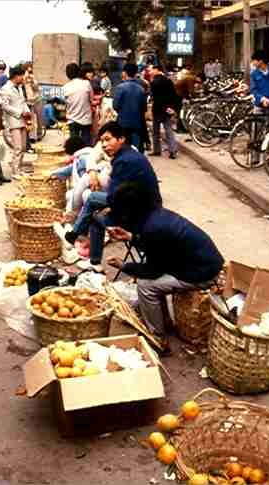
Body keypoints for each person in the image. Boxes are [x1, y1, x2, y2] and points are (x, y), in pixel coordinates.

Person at [106, 181, 224, 351]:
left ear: (129, 211)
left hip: (203, 273)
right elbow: (158, 247)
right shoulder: (156, 216)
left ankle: (157, 338)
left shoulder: (152, 228)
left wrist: (124, 266)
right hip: (201, 262)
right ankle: (164, 322)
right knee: (152, 281)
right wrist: (131, 237)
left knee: (146, 286)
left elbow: (152, 272)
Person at [63, 121, 161, 273]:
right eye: (102, 141)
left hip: (141, 214)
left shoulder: (125, 160)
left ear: (121, 139)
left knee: (92, 200)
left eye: (108, 139)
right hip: (141, 206)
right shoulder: (128, 154)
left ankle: (77, 237)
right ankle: (85, 248)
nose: (103, 144)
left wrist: (108, 209)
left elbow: (115, 198)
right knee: (94, 211)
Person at [0, 64, 32, 179]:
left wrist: (27, 112)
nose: (23, 78)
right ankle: (15, 171)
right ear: (16, 76)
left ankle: (19, 168)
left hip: (22, 120)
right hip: (13, 122)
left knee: (22, 147)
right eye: (22, 75)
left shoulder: (19, 87)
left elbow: (22, 102)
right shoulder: (5, 89)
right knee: (17, 147)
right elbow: (5, 106)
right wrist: (20, 112)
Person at [112, 63, 147, 150]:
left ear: (124, 73)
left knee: (122, 146)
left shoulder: (120, 88)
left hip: (123, 122)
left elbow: (115, 106)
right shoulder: (141, 89)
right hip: (137, 122)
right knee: (135, 147)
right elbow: (144, 108)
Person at [149, 64, 178, 159]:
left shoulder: (154, 82)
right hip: (167, 109)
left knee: (156, 131)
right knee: (168, 130)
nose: (151, 71)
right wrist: (172, 107)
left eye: (152, 70)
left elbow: (153, 96)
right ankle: (173, 151)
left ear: (157, 70)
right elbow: (174, 95)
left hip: (157, 109)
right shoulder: (169, 81)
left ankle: (157, 150)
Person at [62, 62, 93, 147]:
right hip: (86, 120)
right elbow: (92, 100)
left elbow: (65, 104)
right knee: (86, 146)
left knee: (74, 146)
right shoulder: (86, 84)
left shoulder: (65, 88)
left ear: (67, 74)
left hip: (72, 120)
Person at [23, 62, 44, 142]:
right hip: (29, 101)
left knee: (39, 118)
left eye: (30, 68)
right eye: (28, 68)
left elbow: (36, 87)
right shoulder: (23, 78)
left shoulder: (32, 77)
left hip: (37, 99)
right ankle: (32, 137)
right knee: (31, 119)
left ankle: (39, 135)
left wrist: (32, 81)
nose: (29, 69)